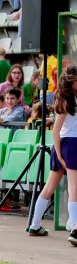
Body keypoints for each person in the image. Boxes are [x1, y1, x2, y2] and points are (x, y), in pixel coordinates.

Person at [48, 66, 77, 244]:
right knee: (73, 188)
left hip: (71, 143)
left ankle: (73, 223)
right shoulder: (67, 100)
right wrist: (59, 155)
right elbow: (56, 131)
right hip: (71, 144)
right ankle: (74, 226)